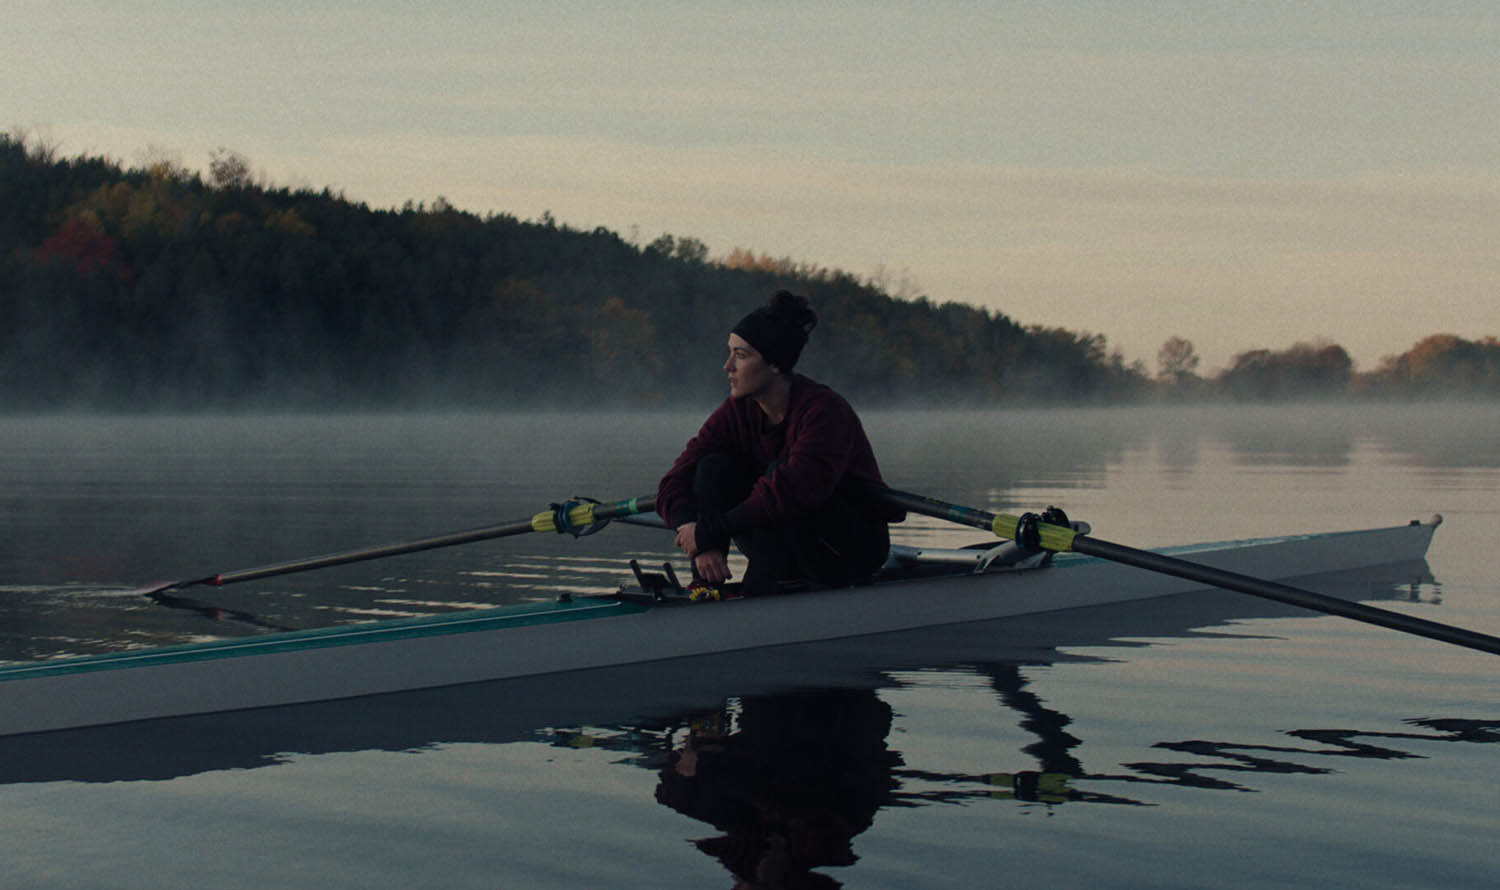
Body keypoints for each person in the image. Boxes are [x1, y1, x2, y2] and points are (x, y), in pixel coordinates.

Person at [656, 290, 902, 596]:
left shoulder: (825, 411)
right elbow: (673, 481)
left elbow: (789, 493)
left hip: (849, 549)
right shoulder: (737, 411)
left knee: (777, 476)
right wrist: (694, 534)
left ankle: (759, 596)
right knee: (712, 468)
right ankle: (706, 587)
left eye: (740, 355)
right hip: (784, 542)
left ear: (775, 364)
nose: (727, 366)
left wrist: (708, 531)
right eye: (729, 353)